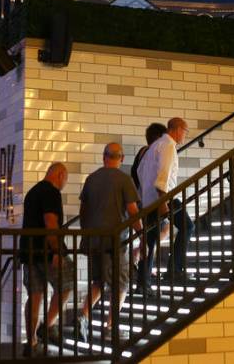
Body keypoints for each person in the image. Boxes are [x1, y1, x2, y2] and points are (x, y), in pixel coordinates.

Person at [77, 143, 142, 340]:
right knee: (121, 284)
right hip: (114, 242)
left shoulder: (91, 179)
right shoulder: (124, 180)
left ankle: (83, 315)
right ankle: (110, 327)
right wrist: (142, 234)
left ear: (104, 157)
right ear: (121, 158)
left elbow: (83, 212)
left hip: (93, 241)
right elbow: (132, 211)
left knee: (98, 281)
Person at [19, 163, 75, 356]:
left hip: (29, 251)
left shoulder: (32, 192)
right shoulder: (51, 192)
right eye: (65, 179)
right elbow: (51, 223)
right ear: (59, 175)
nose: (64, 184)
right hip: (46, 251)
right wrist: (57, 250)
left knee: (34, 295)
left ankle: (32, 341)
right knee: (67, 284)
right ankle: (48, 325)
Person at [136, 117, 192, 285]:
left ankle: (143, 283)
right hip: (165, 198)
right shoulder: (168, 145)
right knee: (188, 226)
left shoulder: (153, 146)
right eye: (185, 131)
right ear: (177, 129)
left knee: (150, 241)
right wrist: (163, 205)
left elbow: (140, 172)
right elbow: (163, 178)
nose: (185, 136)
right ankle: (175, 270)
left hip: (148, 201)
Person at [131, 123, 168, 266]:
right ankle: (143, 264)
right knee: (157, 232)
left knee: (155, 233)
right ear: (159, 138)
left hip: (140, 199)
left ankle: (142, 258)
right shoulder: (152, 153)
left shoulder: (142, 152)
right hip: (151, 199)